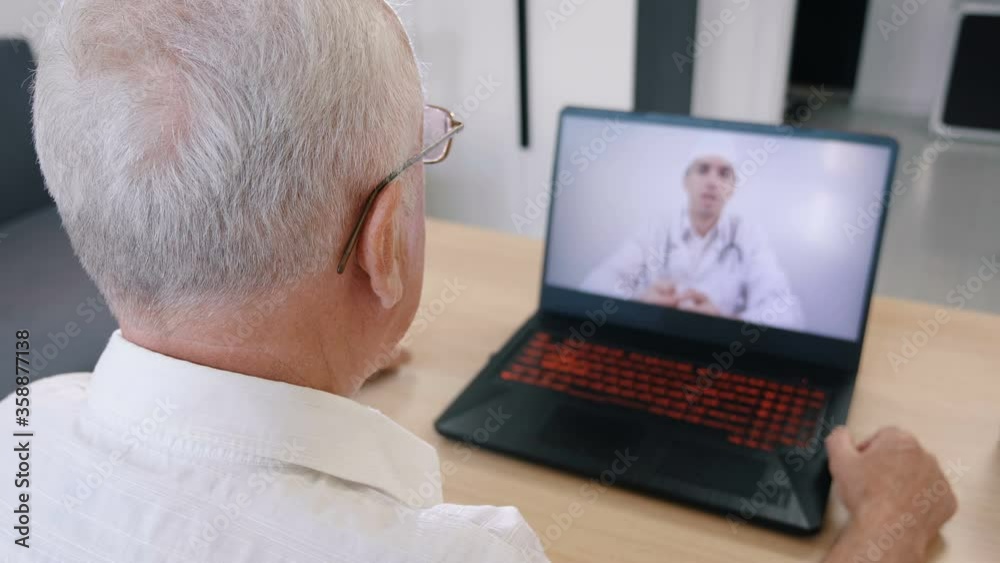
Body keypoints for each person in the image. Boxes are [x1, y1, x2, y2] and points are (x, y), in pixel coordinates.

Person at [3, 1, 955, 561]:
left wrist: (309, 358)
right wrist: (888, 533)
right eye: (429, 149)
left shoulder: (19, 434)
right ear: (386, 245)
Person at [582, 142, 805, 331]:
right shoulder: (657, 227)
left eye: (724, 173)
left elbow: (790, 314)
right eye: (703, 169)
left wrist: (724, 322)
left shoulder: (748, 235)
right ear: (686, 181)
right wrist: (640, 300)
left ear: (733, 188)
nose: (712, 181)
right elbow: (594, 284)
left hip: (718, 351)